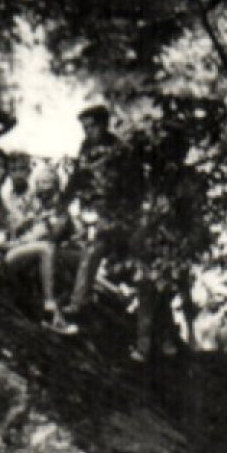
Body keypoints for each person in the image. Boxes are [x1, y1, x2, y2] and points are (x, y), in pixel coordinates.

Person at [129, 122, 206, 362]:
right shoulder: (155, 178)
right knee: (148, 288)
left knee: (178, 290)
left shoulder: (188, 180)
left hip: (177, 242)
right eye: (166, 149)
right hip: (154, 240)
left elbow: (194, 215)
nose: (169, 154)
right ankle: (150, 343)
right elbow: (146, 212)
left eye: (175, 148)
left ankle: (185, 338)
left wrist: (188, 242)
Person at [60, 103, 144, 318]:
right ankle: (83, 298)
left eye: (92, 127)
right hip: (93, 213)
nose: (88, 132)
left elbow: (136, 187)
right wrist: (63, 202)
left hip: (118, 216)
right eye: (85, 128)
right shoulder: (86, 147)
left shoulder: (121, 151)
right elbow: (77, 179)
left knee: (97, 248)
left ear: (104, 125)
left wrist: (123, 215)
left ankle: (78, 303)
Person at [3, 165, 79, 334]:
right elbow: (14, 229)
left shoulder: (59, 211)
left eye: (48, 183)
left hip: (36, 255)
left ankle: (56, 318)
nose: (43, 187)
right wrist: (24, 223)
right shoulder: (28, 203)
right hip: (14, 252)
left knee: (58, 261)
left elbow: (56, 233)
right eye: (41, 182)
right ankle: (50, 305)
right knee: (47, 249)